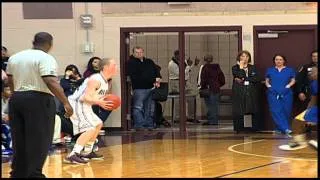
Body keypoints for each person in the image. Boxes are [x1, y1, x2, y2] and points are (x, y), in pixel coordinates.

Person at [6, 32, 73, 178]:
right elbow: (50, 80)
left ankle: (18, 173)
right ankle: (34, 174)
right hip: (38, 100)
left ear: (33, 41)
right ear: (50, 44)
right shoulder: (46, 58)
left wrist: (15, 94)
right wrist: (65, 102)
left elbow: (10, 80)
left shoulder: (15, 57)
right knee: (39, 139)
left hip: (16, 98)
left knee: (19, 138)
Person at [64, 57, 117, 164]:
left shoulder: (105, 81)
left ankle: (87, 152)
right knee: (90, 128)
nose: (116, 67)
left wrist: (104, 100)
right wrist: (100, 102)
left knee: (98, 123)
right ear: (106, 67)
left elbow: (92, 97)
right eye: (114, 65)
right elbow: (85, 98)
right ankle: (73, 154)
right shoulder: (96, 79)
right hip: (77, 103)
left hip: (85, 105)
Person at [279, 66, 317, 150]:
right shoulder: (314, 83)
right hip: (316, 108)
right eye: (310, 72)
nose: (310, 74)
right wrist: (308, 112)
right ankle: (299, 142)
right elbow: (314, 98)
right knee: (297, 120)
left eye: (313, 72)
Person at [127, 46, 161, 131]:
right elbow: (136, 76)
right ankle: (139, 125)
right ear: (133, 53)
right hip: (139, 88)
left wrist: (158, 78)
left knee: (149, 108)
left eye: (141, 52)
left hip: (150, 88)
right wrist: (153, 79)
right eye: (137, 52)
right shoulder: (131, 63)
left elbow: (156, 71)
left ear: (143, 52)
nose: (139, 54)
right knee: (138, 107)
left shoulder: (149, 62)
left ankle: (149, 124)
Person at [265, 54, 296, 135]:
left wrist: (288, 86)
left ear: (284, 61)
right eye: (276, 59)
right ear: (274, 61)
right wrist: (269, 87)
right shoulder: (270, 70)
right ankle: (285, 129)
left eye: (280, 59)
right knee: (275, 111)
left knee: (286, 111)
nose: (278, 61)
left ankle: (280, 128)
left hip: (286, 93)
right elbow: (267, 80)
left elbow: (293, 80)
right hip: (273, 93)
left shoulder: (290, 70)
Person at [232, 50, 262, 133]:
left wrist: (245, 78)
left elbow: (257, 78)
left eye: (246, 56)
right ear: (239, 58)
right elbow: (240, 76)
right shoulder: (235, 68)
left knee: (251, 108)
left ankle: (252, 128)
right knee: (240, 109)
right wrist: (241, 68)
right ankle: (239, 128)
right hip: (239, 91)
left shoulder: (253, 67)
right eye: (242, 56)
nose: (244, 58)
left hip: (251, 91)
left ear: (249, 58)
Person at [293, 50, 317, 133]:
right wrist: (300, 92)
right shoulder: (306, 67)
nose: (315, 57)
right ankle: (304, 131)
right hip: (308, 94)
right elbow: (299, 80)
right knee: (299, 120)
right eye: (313, 56)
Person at [200, 54, 225, 125]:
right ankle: (214, 120)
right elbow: (222, 79)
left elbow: (203, 79)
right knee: (214, 106)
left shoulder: (205, 68)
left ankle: (212, 121)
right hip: (216, 89)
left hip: (208, 89)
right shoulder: (217, 67)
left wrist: (202, 87)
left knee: (209, 106)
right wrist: (217, 85)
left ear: (205, 60)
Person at [168, 50, 192, 122]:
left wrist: (191, 66)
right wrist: (188, 66)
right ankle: (177, 118)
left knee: (191, 98)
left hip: (185, 81)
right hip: (176, 81)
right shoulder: (172, 64)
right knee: (178, 100)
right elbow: (180, 73)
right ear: (176, 55)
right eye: (182, 55)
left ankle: (191, 116)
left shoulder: (183, 61)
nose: (184, 57)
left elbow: (187, 71)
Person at [2, 85, 13, 156]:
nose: (10, 92)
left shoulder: (10, 100)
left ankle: (10, 146)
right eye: (7, 90)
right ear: (2, 93)